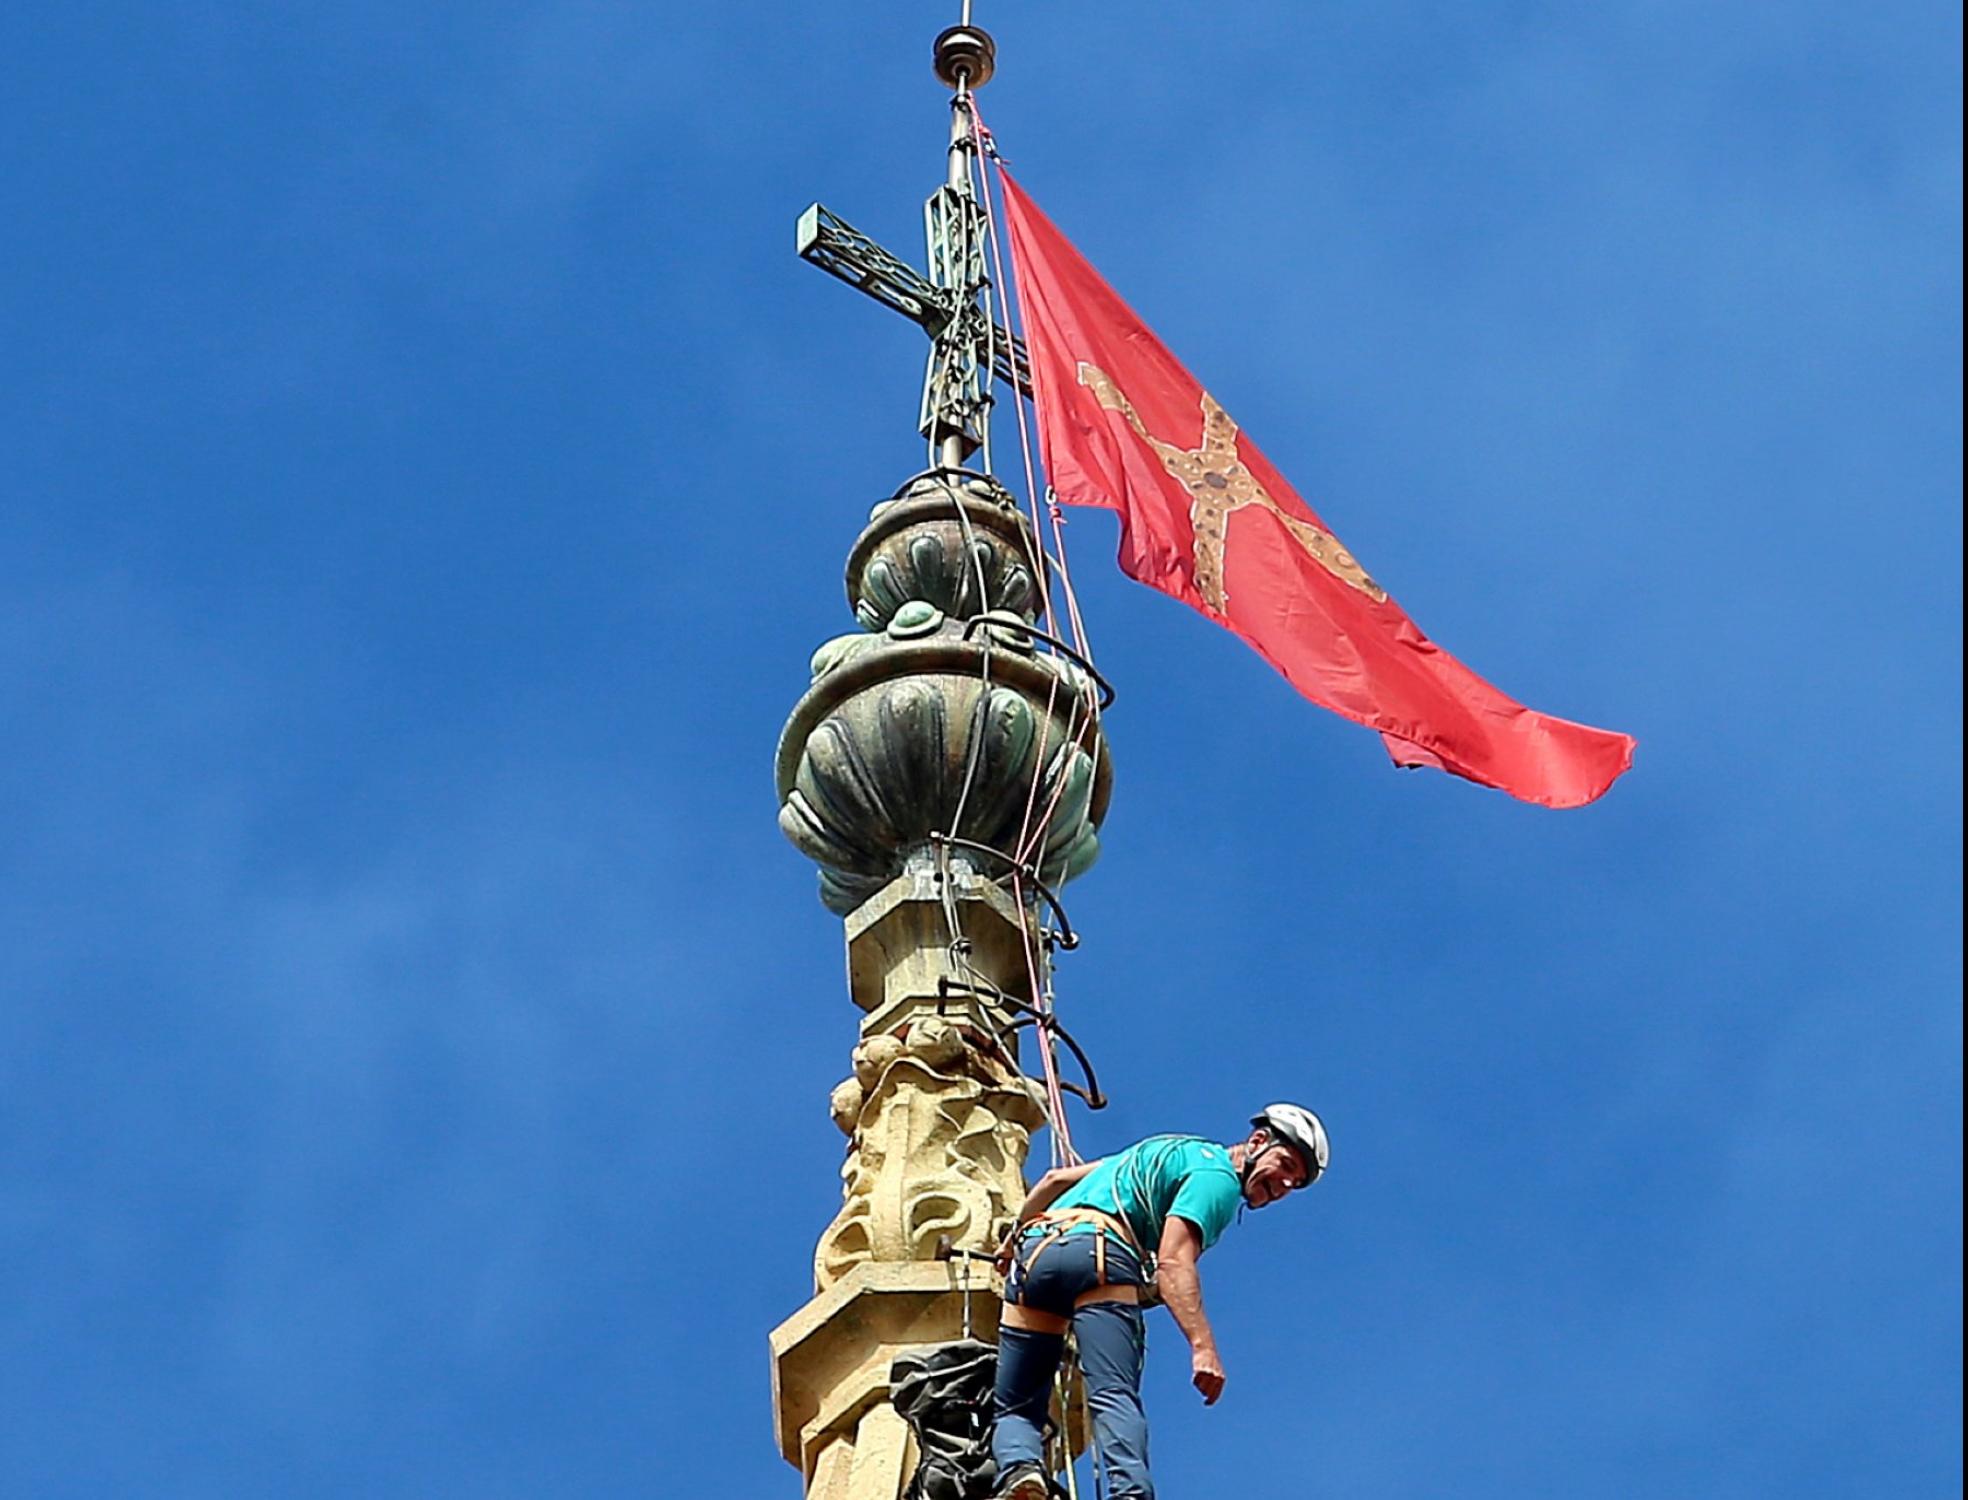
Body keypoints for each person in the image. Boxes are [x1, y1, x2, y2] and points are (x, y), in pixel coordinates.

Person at [988, 1104, 1330, 1500]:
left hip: (1034, 1257)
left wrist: (1011, 1243)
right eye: (1286, 1165)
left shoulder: (1169, 1150)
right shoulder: (1218, 1179)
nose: (1286, 1184)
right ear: (1256, 1142)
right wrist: (1203, 1347)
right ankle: (1130, 1493)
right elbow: (1173, 1262)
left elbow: (1054, 1180)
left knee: (1015, 1405)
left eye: (1295, 1182)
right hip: (1098, 1254)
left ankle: (1021, 1472)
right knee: (1113, 1392)